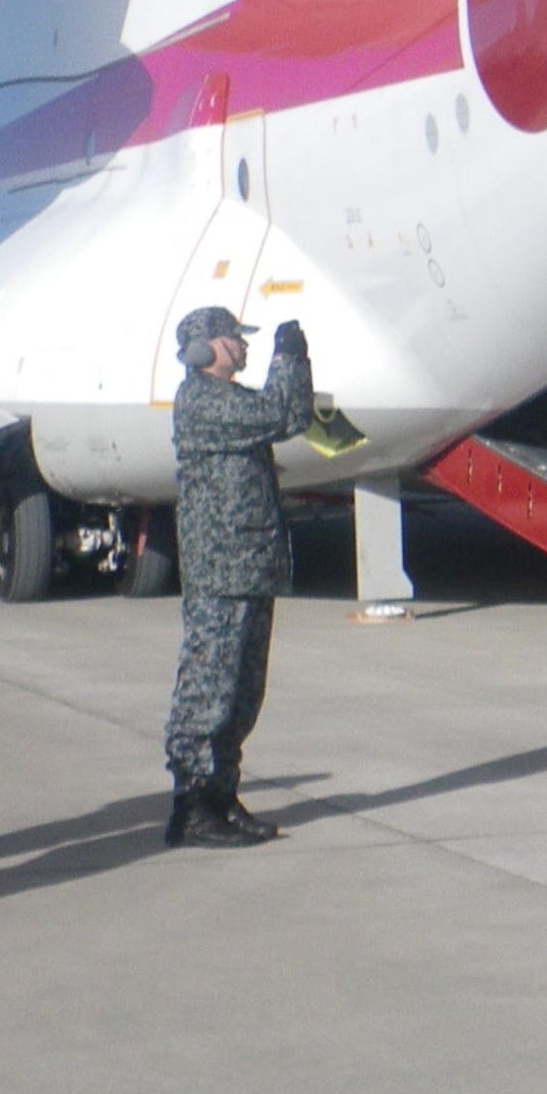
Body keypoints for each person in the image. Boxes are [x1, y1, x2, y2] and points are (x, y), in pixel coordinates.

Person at [166, 304, 312, 847]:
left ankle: (221, 797)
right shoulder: (204, 401)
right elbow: (284, 412)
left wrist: (291, 362)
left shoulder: (225, 400)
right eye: (234, 339)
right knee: (209, 690)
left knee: (241, 693)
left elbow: (283, 413)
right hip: (221, 571)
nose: (242, 347)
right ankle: (193, 807)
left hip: (246, 566)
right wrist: (290, 358)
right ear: (206, 348)